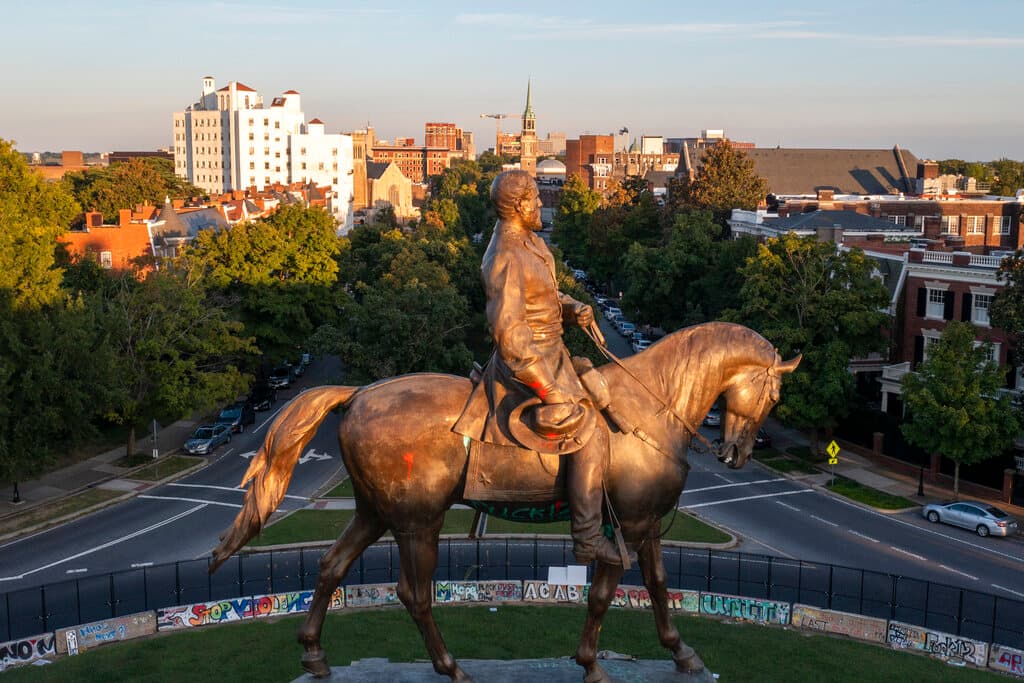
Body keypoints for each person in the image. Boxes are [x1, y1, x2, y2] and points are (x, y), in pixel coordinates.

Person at [453, 170, 623, 566]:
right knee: (590, 430)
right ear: (518, 206)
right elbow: (510, 335)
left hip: (552, 352)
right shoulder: (504, 255)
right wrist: (550, 390)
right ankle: (588, 537)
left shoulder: (529, 241)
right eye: (535, 198)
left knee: (602, 390)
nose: (541, 204)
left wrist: (572, 306)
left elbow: (542, 292)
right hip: (527, 365)